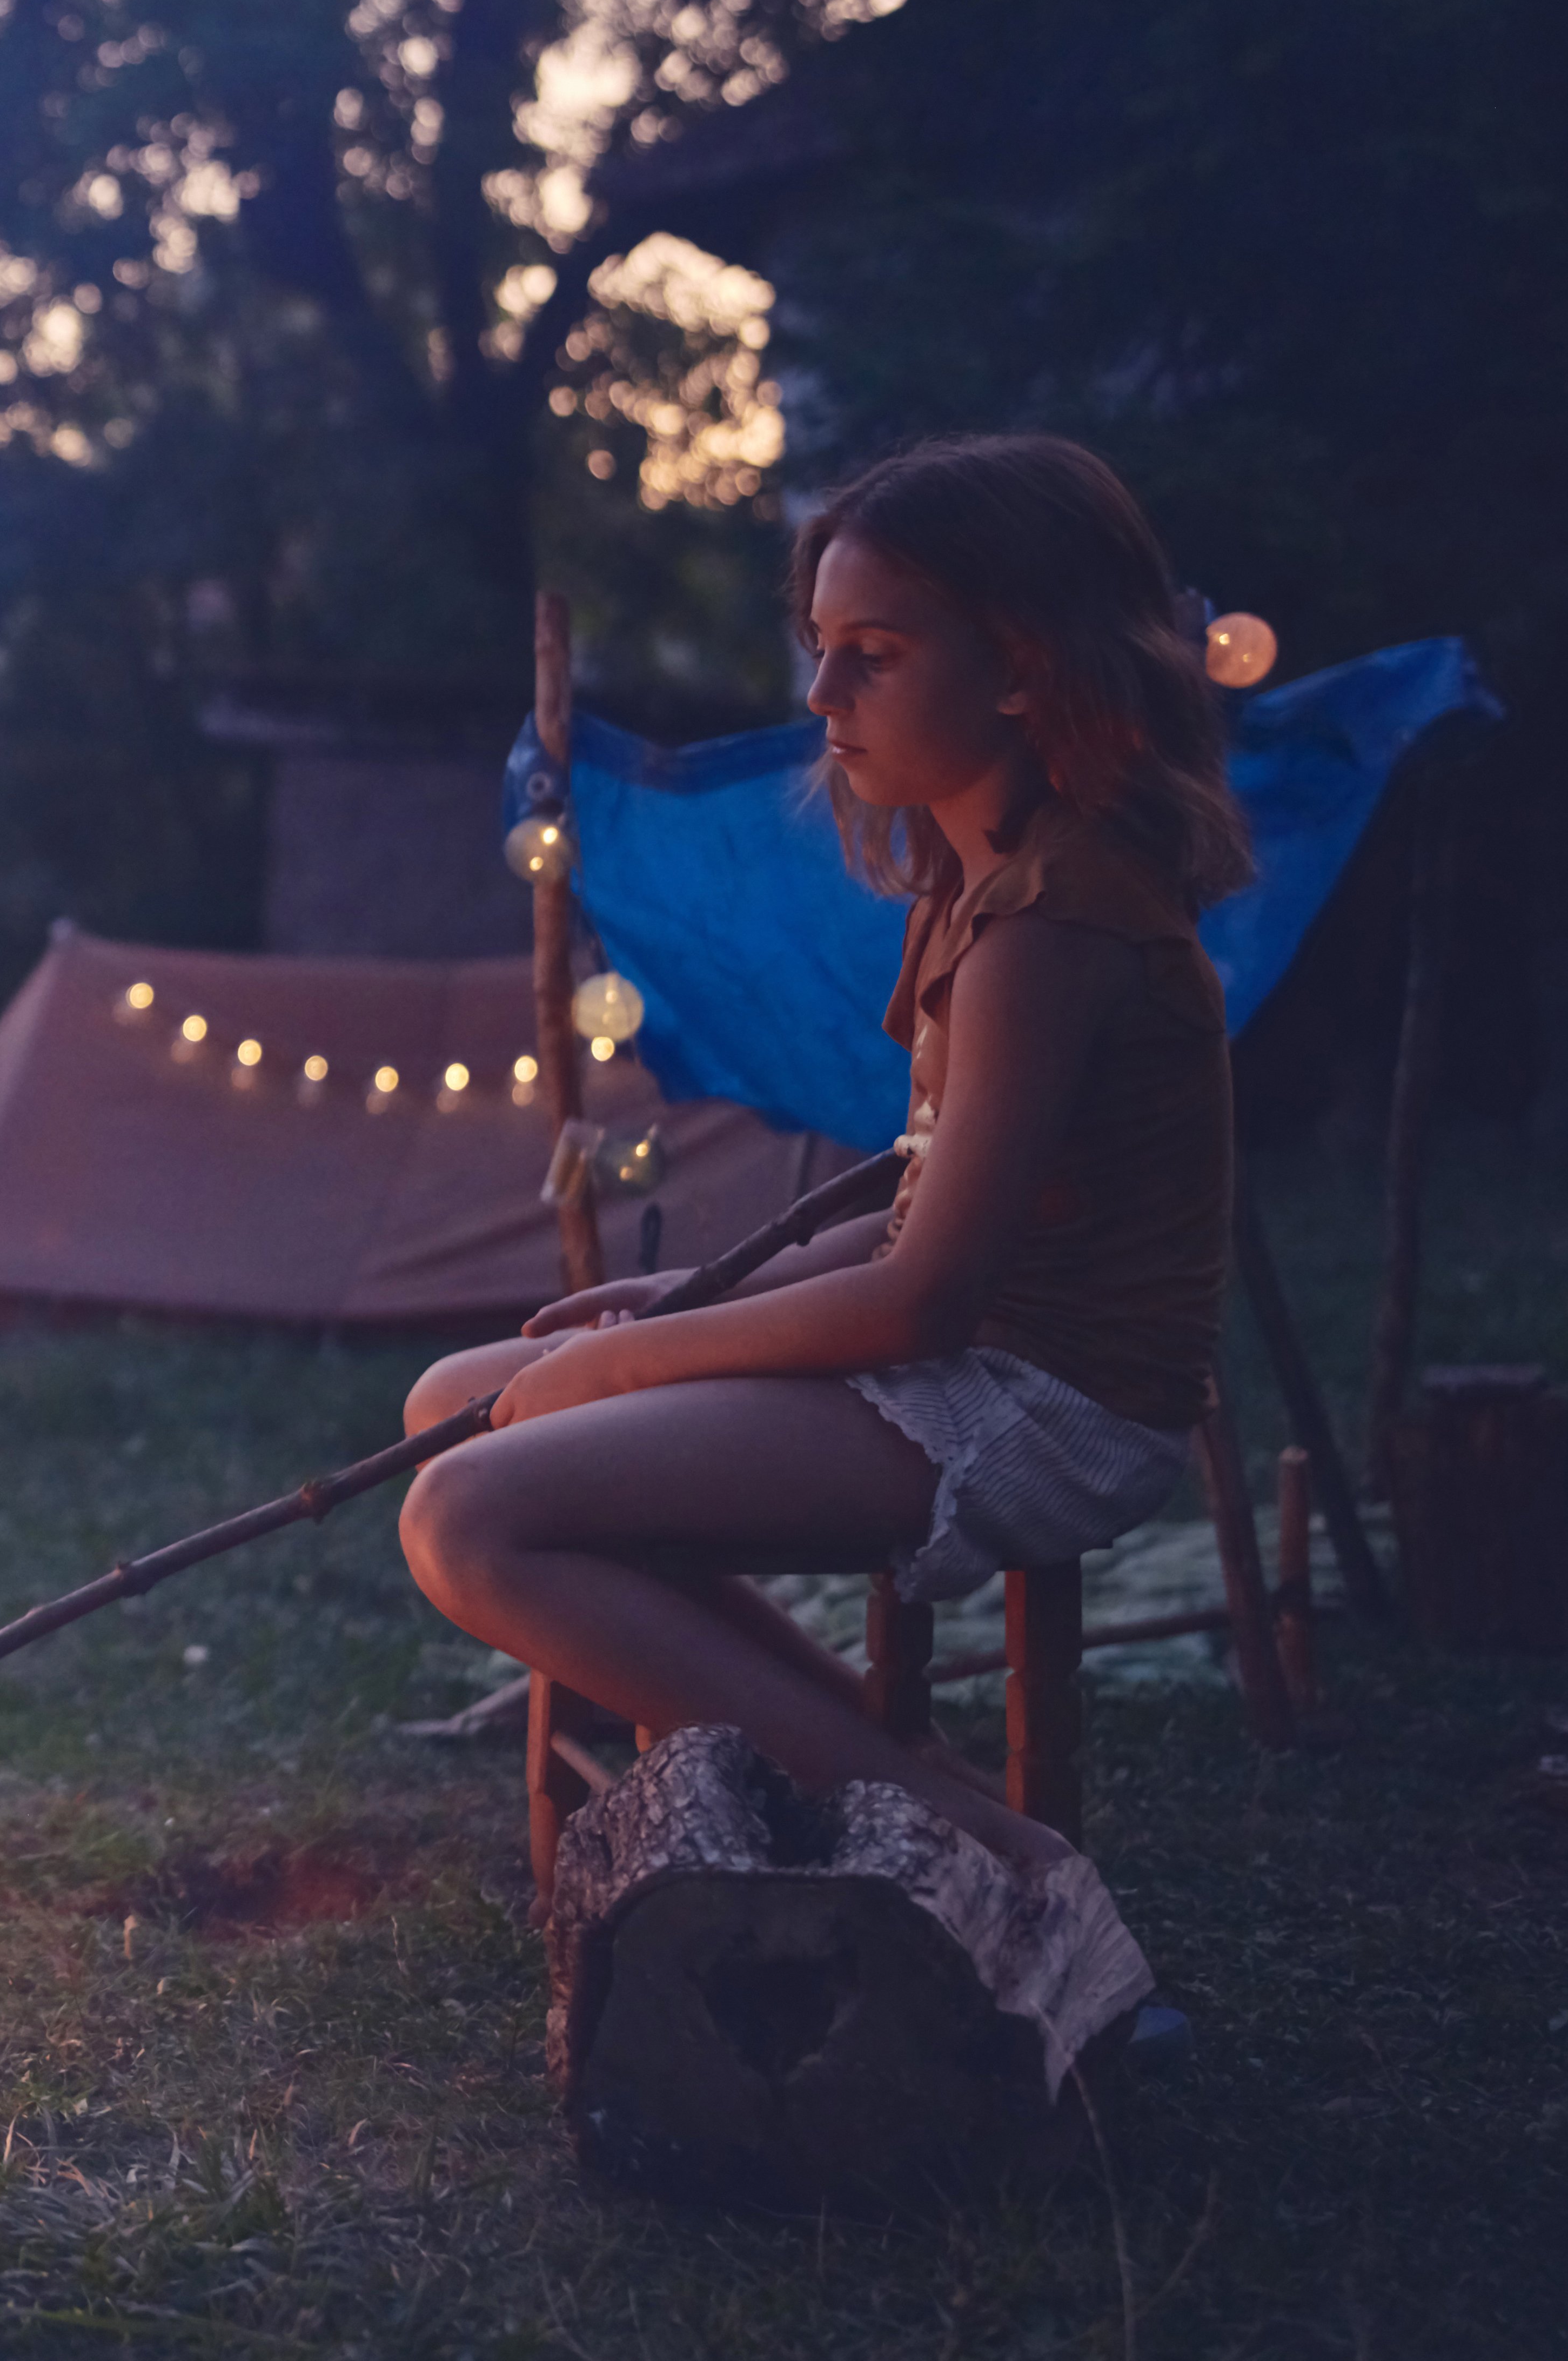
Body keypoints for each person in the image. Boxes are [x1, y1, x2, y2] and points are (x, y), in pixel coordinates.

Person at [395, 434, 1251, 1873]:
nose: (818, 695)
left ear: (1022, 665)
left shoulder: (1054, 923)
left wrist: (619, 1365)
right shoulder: (966, 875)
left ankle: (985, 1855)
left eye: (872, 653)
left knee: (470, 1513)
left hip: (1043, 1401)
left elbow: (923, 1296)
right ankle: (875, 1764)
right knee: (450, 1404)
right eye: (818, 647)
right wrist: (679, 1318)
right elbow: (914, 1211)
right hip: (965, 1347)